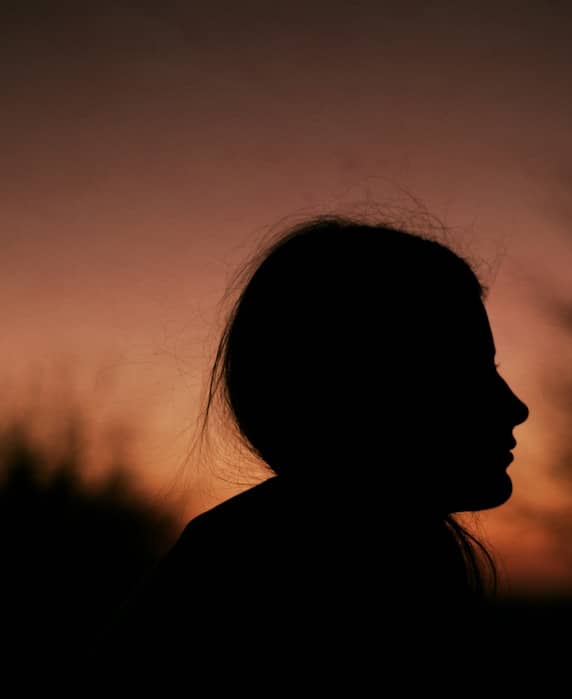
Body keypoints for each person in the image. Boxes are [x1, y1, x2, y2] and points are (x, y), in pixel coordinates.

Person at [108, 215, 528, 665]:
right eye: (465, 373)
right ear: (359, 392)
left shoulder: (397, 560)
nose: (515, 407)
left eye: (493, 370)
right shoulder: (252, 573)